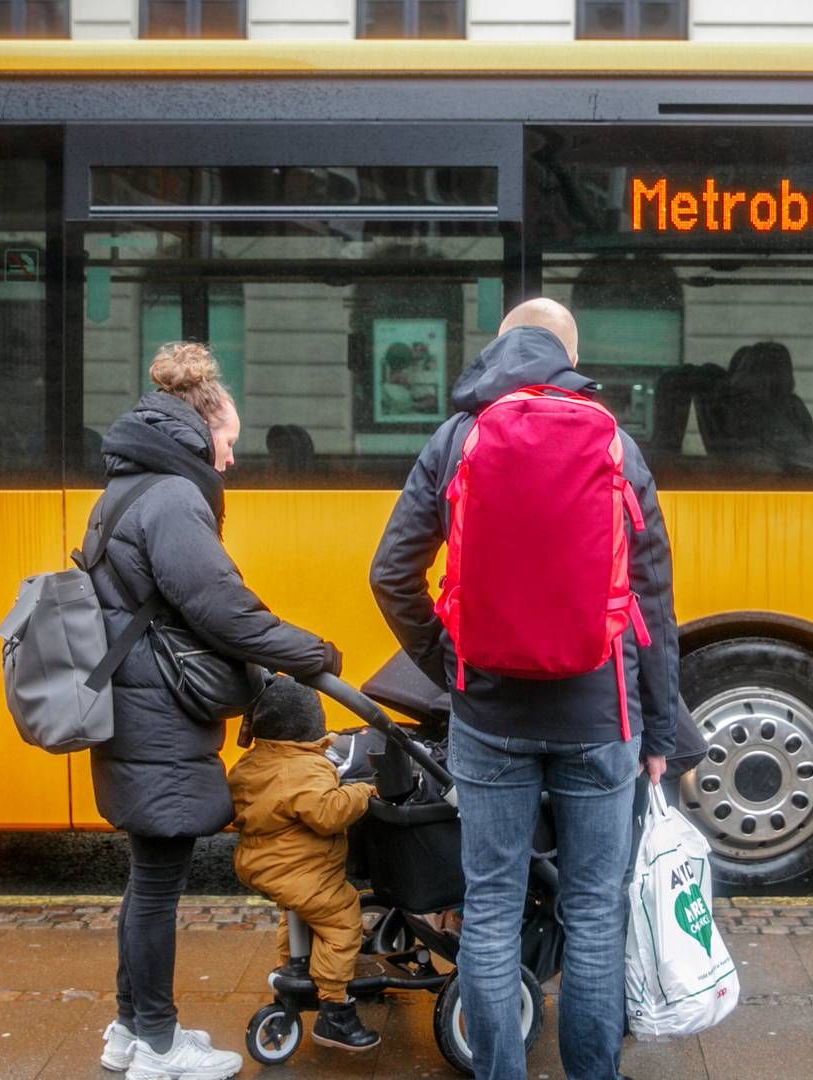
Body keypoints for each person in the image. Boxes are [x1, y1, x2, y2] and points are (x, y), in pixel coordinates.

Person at [369, 298, 679, 1080]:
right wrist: (663, 733)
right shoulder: (616, 443)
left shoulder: (457, 438)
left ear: (498, 350)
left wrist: (451, 665)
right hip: (600, 714)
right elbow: (654, 600)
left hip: (490, 715)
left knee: (493, 906)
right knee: (594, 910)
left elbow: (390, 574)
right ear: (570, 355)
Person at [88, 341, 342, 1080]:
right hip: (155, 716)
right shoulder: (170, 498)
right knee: (158, 885)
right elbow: (222, 610)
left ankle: (132, 1031)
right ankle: (159, 1045)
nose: (230, 459)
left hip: (134, 707)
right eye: (227, 442)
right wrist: (311, 651)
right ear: (199, 431)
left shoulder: (128, 490)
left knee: (146, 880)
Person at [228, 678, 380, 1052]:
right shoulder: (306, 767)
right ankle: (334, 1009)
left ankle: (295, 967)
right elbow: (329, 813)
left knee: (297, 912)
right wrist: (362, 791)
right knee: (342, 917)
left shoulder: (253, 762)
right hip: (299, 870)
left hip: (262, 864)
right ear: (310, 725)